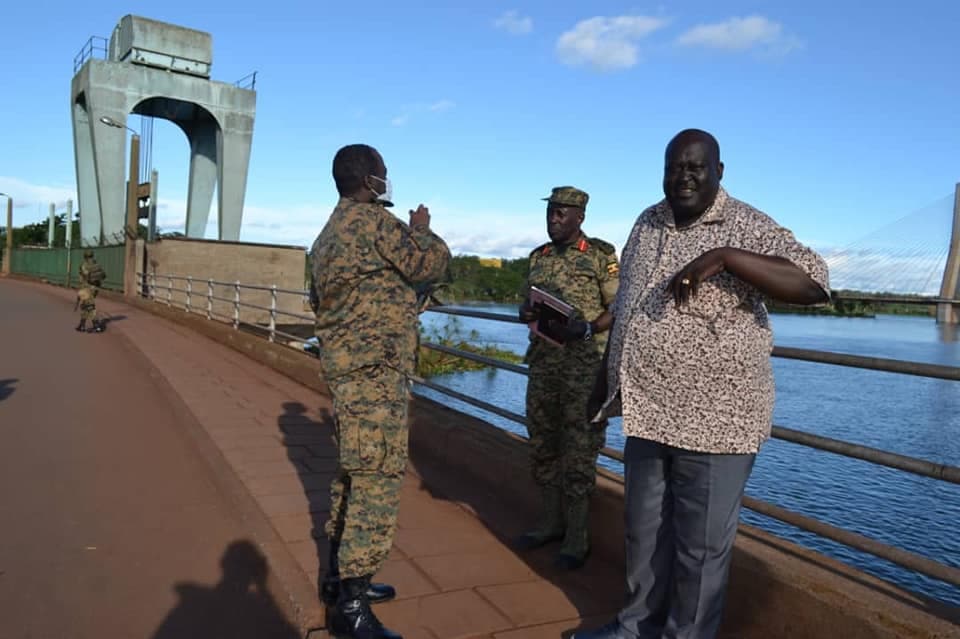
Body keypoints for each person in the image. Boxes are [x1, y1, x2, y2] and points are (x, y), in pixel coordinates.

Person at [576, 130, 829, 639]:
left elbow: (814, 284)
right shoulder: (647, 221)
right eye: (674, 167)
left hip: (718, 419)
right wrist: (602, 381)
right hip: (649, 410)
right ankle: (635, 627)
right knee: (643, 531)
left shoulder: (746, 223)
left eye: (696, 167)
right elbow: (625, 305)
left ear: (719, 170)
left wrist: (728, 258)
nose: (683, 177)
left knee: (699, 548)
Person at [308, 143, 450, 639]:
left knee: (352, 476)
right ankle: (350, 609)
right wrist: (421, 229)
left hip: (348, 374)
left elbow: (321, 301)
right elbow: (430, 265)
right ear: (371, 180)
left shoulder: (325, 238)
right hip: (377, 377)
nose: (387, 180)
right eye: (384, 174)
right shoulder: (375, 224)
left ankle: (337, 580)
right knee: (377, 481)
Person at [515, 186, 620, 570]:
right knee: (542, 441)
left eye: (561, 213)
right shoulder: (538, 258)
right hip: (543, 365)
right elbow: (525, 302)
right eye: (550, 212)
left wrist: (589, 330)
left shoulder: (600, 256)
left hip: (584, 369)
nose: (553, 219)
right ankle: (550, 522)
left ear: (580, 218)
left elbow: (619, 306)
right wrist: (525, 311)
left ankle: (577, 538)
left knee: (578, 450)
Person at [76, 250, 105, 333]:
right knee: (85, 305)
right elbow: (103, 276)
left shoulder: (84, 265)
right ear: (92, 255)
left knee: (89, 306)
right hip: (95, 288)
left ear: (85, 256)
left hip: (87, 288)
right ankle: (82, 325)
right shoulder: (97, 265)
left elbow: (83, 277)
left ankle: (97, 326)